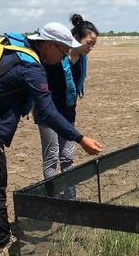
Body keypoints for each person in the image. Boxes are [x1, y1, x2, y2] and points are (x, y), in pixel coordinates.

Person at [0, 22, 103, 256]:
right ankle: (1, 243)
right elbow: (49, 112)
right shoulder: (30, 66)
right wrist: (80, 138)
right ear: (48, 45)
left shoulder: (13, 47)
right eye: (62, 51)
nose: (63, 56)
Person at [37, 14, 98, 193]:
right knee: (51, 158)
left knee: (68, 158)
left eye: (94, 44)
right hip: (48, 113)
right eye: (89, 43)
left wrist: (73, 98)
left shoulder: (82, 59)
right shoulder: (54, 57)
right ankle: (54, 202)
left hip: (68, 112)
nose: (91, 47)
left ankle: (70, 202)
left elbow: (75, 84)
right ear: (76, 39)